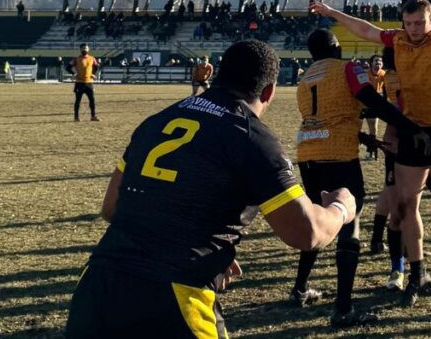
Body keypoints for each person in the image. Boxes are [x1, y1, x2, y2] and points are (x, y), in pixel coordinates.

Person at [64, 40, 359, 338]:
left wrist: (204, 242)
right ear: (268, 91)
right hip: (171, 296)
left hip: (97, 288)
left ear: (218, 75)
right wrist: (342, 207)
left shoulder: (158, 120)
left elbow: (112, 207)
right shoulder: (249, 135)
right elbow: (307, 232)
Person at [310, 0, 431, 315]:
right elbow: (365, 30)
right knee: (407, 205)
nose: (414, 29)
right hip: (410, 129)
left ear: (430, 19)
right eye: (408, 24)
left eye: (419, 23)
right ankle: (416, 275)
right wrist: (331, 11)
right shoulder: (398, 40)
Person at [290, 30, 429, 327]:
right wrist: (409, 127)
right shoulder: (348, 67)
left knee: (317, 219)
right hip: (338, 154)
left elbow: (326, 116)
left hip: (307, 154)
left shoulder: (305, 77)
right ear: (336, 48)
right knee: (349, 223)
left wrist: (366, 138)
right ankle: (343, 309)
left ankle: (299, 289)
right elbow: (371, 100)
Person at [67, 44, 100, 121]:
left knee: (92, 100)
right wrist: (74, 74)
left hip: (89, 83)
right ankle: (76, 117)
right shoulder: (76, 59)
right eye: (83, 48)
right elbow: (68, 67)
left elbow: (96, 67)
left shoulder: (92, 58)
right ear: (80, 49)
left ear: (88, 49)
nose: (85, 49)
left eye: (86, 48)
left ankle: (93, 116)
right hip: (79, 83)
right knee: (78, 100)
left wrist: (93, 74)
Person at [363, 54, 386, 160]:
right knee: (355, 129)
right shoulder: (365, 74)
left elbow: (385, 91)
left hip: (374, 106)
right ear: (371, 63)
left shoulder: (384, 75)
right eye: (376, 60)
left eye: (380, 61)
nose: (378, 62)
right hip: (361, 105)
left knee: (374, 130)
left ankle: (370, 151)